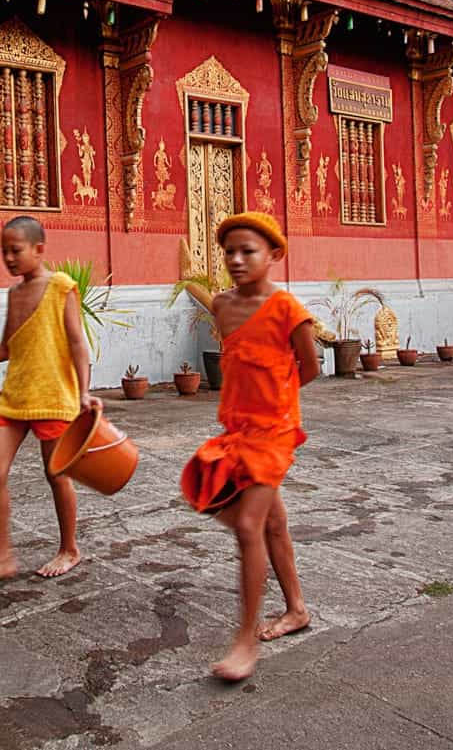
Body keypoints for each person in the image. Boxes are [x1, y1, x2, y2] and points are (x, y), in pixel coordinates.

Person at [180, 211, 319, 681]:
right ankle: (297, 610)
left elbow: (311, 367)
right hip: (237, 431)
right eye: (229, 252)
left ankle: (244, 641)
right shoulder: (221, 306)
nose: (236, 260)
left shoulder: (289, 310)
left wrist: (276, 399)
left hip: (275, 432)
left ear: (274, 255)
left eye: (248, 252)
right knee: (273, 526)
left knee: (248, 527)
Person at [0, 215, 100, 593]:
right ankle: (3, 559)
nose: (9, 259)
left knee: (56, 476)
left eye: (15, 251)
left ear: (39, 249)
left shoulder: (62, 287)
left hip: (52, 397)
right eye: (4, 252)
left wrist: (83, 391)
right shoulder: (13, 295)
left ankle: (69, 548)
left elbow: (78, 343)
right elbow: (5, 348)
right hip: (16, 397)